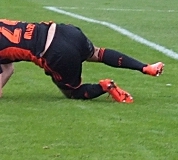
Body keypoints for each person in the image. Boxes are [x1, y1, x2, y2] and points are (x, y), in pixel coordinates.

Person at [0, 20, 164, 102]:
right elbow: (7, 68)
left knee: (73, 92)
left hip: (55, 52)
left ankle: (105, 86)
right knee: (97, 53)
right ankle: (146, 67)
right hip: (66, 31)